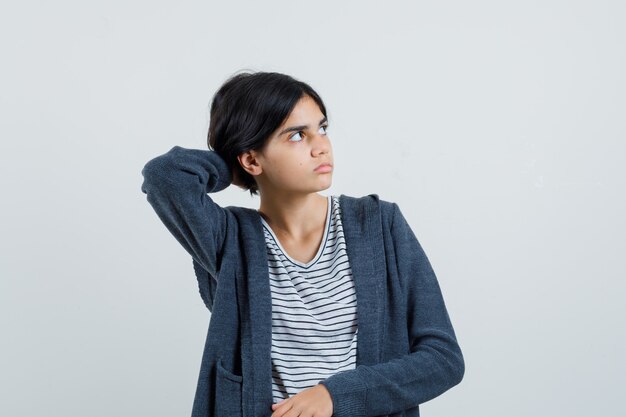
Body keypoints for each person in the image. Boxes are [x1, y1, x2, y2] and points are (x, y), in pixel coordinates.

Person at [140, 70, 465, 417]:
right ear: (251, 159)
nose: (321, 145)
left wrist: (335, 395)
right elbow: (165, 177)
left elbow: (442, 359)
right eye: (297, 135)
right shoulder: (229, 239)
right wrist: (233, 164)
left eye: (322, 128)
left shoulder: (379, 225)